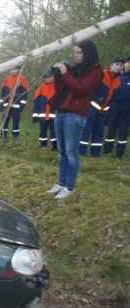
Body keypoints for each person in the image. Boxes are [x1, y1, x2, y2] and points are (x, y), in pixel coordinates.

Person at [47, 40, 102, 200]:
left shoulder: (95, 71)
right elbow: (61, 90)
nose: (76, 56)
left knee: (71, 153)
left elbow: (80, 90)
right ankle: (60, 182)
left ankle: (69, 186)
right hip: (61, 111)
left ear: (88, 53)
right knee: (62, 151)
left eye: (79, 53)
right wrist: (58, 75)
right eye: (75, 52)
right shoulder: (75, 69)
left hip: (75, 115)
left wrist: (65, 73)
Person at [104, 58, 130, 158]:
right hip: (114, 105)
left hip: (127, 108)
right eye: (127, 63)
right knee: (111, 128)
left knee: (123, 131)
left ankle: (119, 153)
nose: (128, 65)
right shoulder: (117, 77)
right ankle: (107, 151)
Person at [0, 66, 30, 140]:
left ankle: (15, 136)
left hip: (17, 105)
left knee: (16, 121)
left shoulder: (22, 79)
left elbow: (25, 93)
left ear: (18, 70)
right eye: (11, 69)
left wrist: (22, 105)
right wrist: (1, 104)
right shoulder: (7, 79)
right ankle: (4, 134)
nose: (12, 71)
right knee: (5, 120)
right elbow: (2, 92)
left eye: (14, 69)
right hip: (6, 104)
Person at [32, 69, 57, 150]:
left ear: (53, 77)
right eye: (45, 77)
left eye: (49, 77)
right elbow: (35, 100)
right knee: (42, 130)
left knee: (54, 131)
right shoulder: (41, 87)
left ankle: (55, 146)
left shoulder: (57, 86)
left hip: (53, 114)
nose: (47, 79)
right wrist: (35, 114)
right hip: (42, 114)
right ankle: (43, 145)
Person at [103, 58, 124, 154]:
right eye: (117, 64)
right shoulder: (103, 74)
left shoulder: (118, 78)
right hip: (97, 105)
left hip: (109, 106)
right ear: (111, 64)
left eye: (120, 65)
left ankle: (108, 152)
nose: (119, 67)